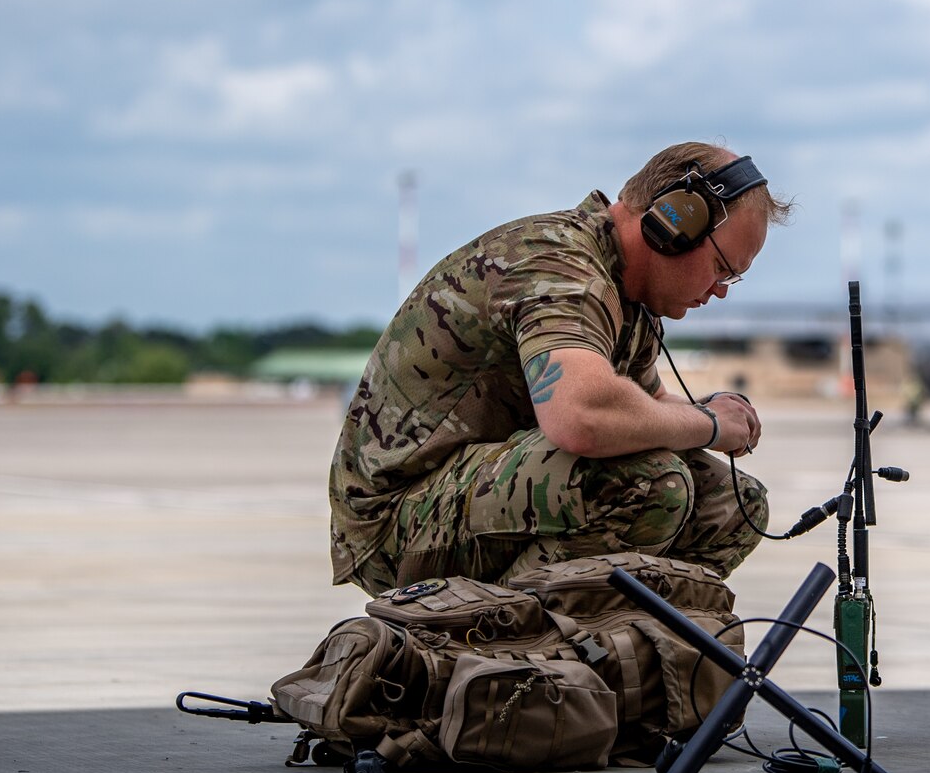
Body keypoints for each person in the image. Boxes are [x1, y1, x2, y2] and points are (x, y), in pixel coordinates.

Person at [329, 144, 789, 596]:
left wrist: (709, 411)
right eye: (721, 268)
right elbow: (580, 417)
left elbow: (644, 407)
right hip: (392, 524)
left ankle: (618, 651)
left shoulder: (629, 293)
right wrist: (709, 424)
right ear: (675, 222)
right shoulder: (561, 268)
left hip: (471, 498)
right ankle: (498, 642)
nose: (721, 291)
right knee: (649, 482)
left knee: (732, 505)